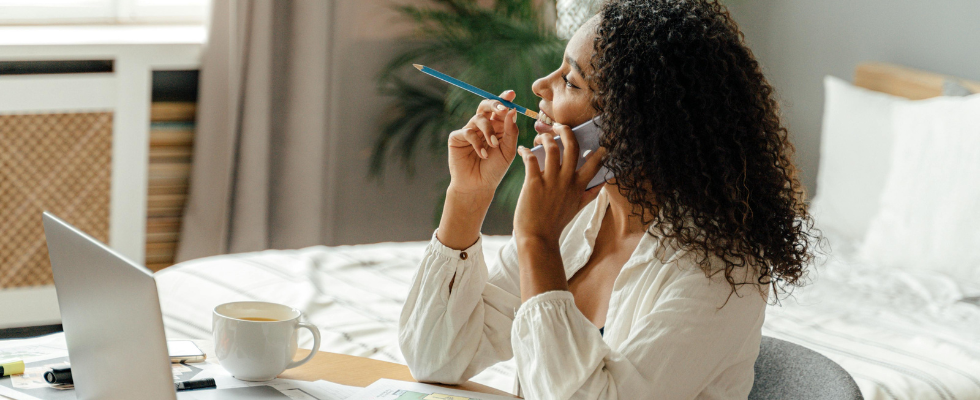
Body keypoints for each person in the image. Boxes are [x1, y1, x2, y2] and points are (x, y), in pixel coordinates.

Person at [398, 0, 817, 398]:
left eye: (569, 80)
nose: (539, 85)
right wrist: (469, 196)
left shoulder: (720, 271)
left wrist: (536, 240)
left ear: (633, 125)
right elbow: (434, 357)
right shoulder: (581, 218)